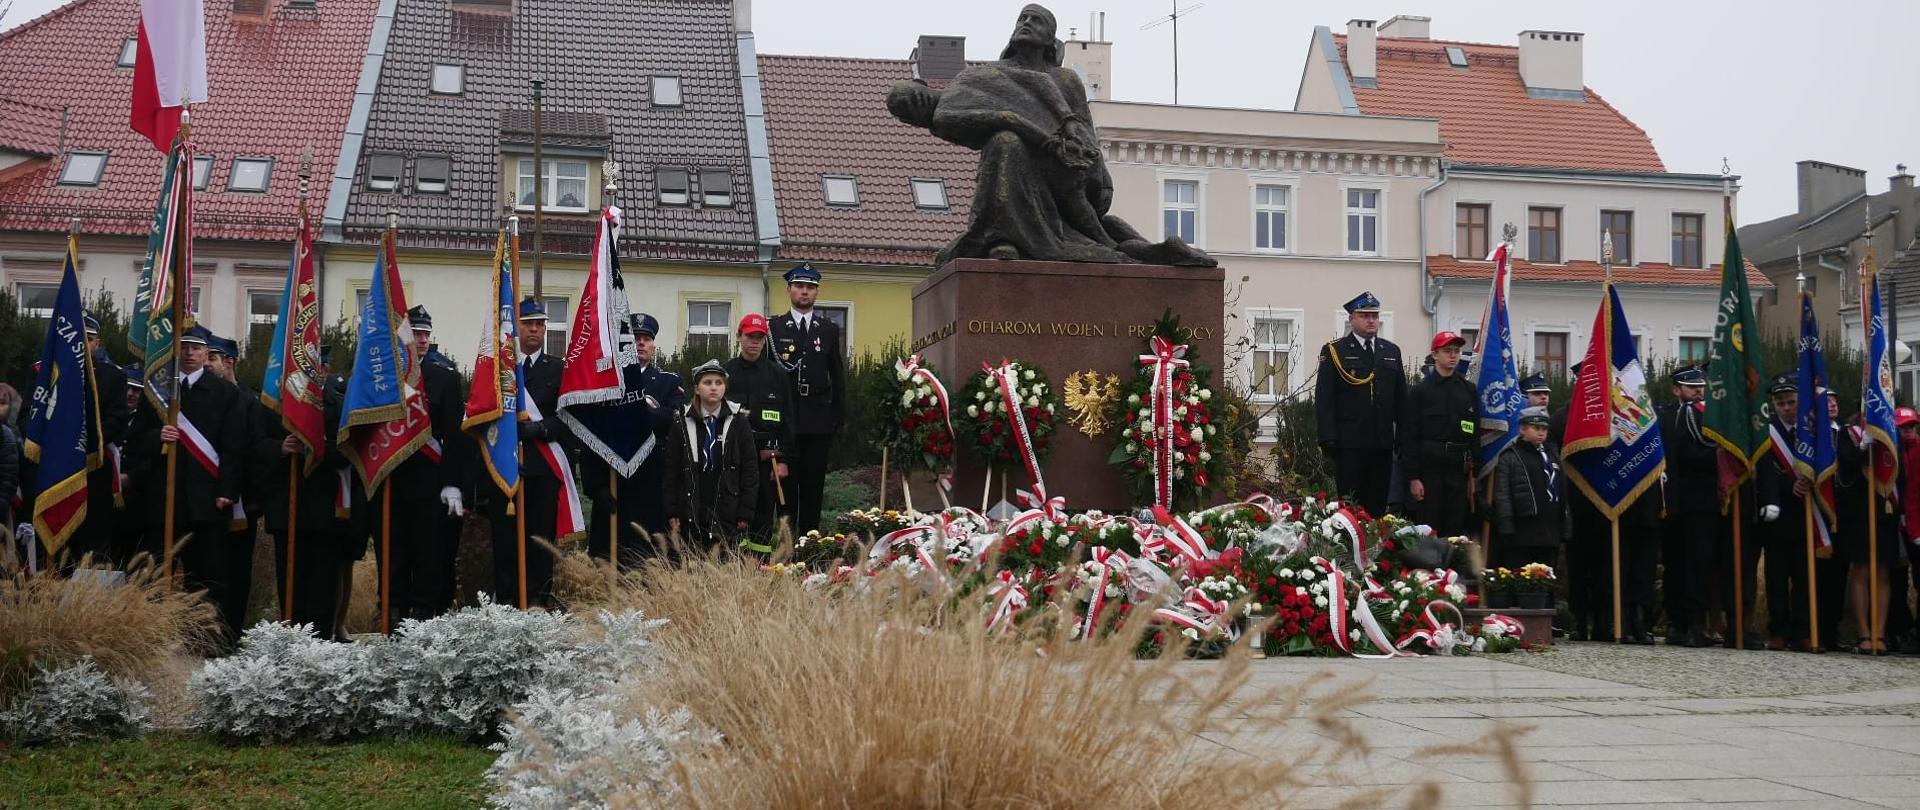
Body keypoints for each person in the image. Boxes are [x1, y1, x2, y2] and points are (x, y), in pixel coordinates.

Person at [125, 325, 247, 647]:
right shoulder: (157, 393)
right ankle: (150, 640)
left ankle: (205, 643)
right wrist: (157, 438)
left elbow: (234, 448)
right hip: (162, 501)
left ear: (207, 354)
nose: (190, 353)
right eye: (185, 347)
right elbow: (134, 442)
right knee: (152, 575)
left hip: (206, 501)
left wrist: (227, 491)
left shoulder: (226, 394)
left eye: (196, 348)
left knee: (206, 579)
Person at [375, 306, 468, 623]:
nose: (423, 339)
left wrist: (453, 482)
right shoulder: (386, 379)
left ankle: (425, 610)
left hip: (431, 480)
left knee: (430, 550)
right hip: (394, 475)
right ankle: (393, 608)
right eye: (417, 333)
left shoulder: (444, 377)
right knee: (395, 549)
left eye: (427, 333)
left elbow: (456, 437)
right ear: (405, 338)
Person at [252, 364, 360, 637]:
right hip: (286, 506)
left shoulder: (338, 403)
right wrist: (280, 447)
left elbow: (350, 450)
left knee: (323, 582)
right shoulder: (275, 401)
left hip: (325, 508)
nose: (316, 372)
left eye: (321, 366)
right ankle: (292, 639)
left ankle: (322, 639)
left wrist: (316, 448)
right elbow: (254, 445)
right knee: (290, 582)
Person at [580, 313, 682, 569]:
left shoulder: (669, 382)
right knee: (608, 555)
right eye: (635, 339)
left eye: (646, 339)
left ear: (653, 346)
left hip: (650, 480)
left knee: (647, 555)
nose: (640, 344)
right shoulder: (606, 382)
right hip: (613, 478)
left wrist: (636, 411)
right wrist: (595, 485)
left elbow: (671, 420)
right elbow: (590, 432)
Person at [489, 297, 566, 609]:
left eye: (540, 324)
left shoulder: (559, 370)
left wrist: (538, 429)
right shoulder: (498, 369)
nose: (535, 329)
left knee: (540, 542)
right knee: (506, 541)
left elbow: (569, 420)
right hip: (505, 469)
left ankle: (537, 601)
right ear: (516, 327)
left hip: (542, 467)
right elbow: (484, 416)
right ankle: (506, 601)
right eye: (528, 323)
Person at [768, 264, 845, 536]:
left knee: (813, 487)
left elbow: (837, 375)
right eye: (799, 286)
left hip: (818, 421)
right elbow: (769, 378)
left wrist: (836, 418)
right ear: (789, 289)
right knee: (786, 489)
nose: (804, 291)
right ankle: (787, 545)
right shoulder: (774, 328)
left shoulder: (828, 330)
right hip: (785, 422)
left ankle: (809, 543)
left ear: (817, 292)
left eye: (810, 287)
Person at [1315, 291, 1406, 518]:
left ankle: (1374, 551)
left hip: (1382, 444)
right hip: (1350, 444)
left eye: (1374, 315)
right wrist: (1328, 439)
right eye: (1364, 315)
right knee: (1351, 508)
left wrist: (1402, 440)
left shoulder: (1391, 352)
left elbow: (1401, 400)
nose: (1371, 320)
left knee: (1377, 507)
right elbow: (1325, 399)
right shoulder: (1336, 351)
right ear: (1351, 319)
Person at [664, 361, 758, 550]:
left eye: (718, 383)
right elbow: (671, 469)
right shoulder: (681, 421)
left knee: (723, 558)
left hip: (727, 503)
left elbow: (750, 468)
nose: (713, 387)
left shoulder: (739, 421)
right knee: (692, 557)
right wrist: (672, 509)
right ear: (697, 389)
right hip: (692, 503)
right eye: (707, 382)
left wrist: (745, 511)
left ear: (725, 388)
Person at [722, 313, 795, 554]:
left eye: (759, 338)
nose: (754, 342)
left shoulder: (778, 374)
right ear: (739, 337)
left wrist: (784, 459)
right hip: (733, 455)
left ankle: (759, 566)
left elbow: (788, 419)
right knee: (732, 507)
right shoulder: (725, 373)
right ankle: (732, 563)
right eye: (749, 336)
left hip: (768, 456)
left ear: (765, 340)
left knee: (764, 511)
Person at [1755, 375, 1815, 652]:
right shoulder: (1767, 434)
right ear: (1774, 405)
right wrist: (1789, 485)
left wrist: (1809, 481)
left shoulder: (1812, 430)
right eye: (1781, 403)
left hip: (1807, 513)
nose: (1787, 408)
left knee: (1804, 576)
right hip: (1777, 513)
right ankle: (1779, 630)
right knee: (1777, 576)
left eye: (1791, 402)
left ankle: (1803, 630)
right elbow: (1763, 473)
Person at [1659, 366, 1717, 647]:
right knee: (1675, 563)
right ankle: (1675, 622)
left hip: (1703, 500)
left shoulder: (1710, 416)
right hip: (1671, 500)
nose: (1698, 390)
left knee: (1700, 563)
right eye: (1690, 386)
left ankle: (1696, 622)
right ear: (1676, 390)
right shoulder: (1666, 416)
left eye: (1700, 386)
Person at [1839, 402, 1903, 655]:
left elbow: (1901, 471)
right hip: (1859, 513)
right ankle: (1864, 632)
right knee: (1861, 571)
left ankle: (1879, 632)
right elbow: (1847, 464)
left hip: (1885, 511)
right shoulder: (1849, 434)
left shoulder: (1891, 432)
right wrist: (1864, 446)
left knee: (1883, 573)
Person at [1401, 331, 1476, 537]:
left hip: (1458, 469)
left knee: (1456, 529)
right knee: (1430, 529)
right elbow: (1410, 436)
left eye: (1456, 351)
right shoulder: (1421, 392)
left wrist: (1473, 475)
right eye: (1447, 351)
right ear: (1435, 355)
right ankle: (1431, 570)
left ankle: (1452, 569)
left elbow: (1473, 432)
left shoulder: (1468, 390)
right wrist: (1414, 477)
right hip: (1430, 470)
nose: (1453, 356)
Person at [1490, 407, 1565, 570]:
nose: (1541, 433)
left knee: (1547, 576)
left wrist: (1565, 525)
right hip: (1523, 531)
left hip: (1550, 529)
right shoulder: (1511, 456)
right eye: (1536, 428)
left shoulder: (1552, 457)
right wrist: (1506, 525)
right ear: (1523, 429)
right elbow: (1503, 495)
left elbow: (1561, 491)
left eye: (1544, 429)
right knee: (1522, 576)